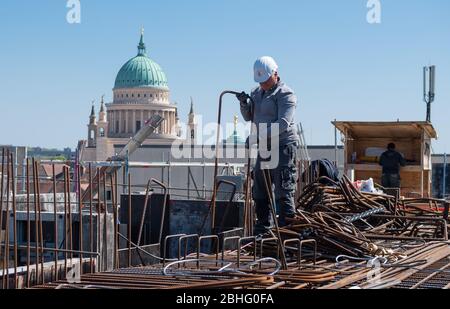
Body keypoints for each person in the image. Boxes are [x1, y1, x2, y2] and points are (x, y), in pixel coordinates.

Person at [237, 56, 300, 235]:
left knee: (283, 190)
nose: (263, 84)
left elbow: (283, 123)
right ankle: (263, 230)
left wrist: (257, 136)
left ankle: (286, 233)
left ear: (275, 74)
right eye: (260, 81)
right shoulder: (256, 93)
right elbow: (249, 116)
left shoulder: (286, 94)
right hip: (265, 147)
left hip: (283, 146)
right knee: (260, 190)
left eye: (265, 80)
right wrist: (244, 104)